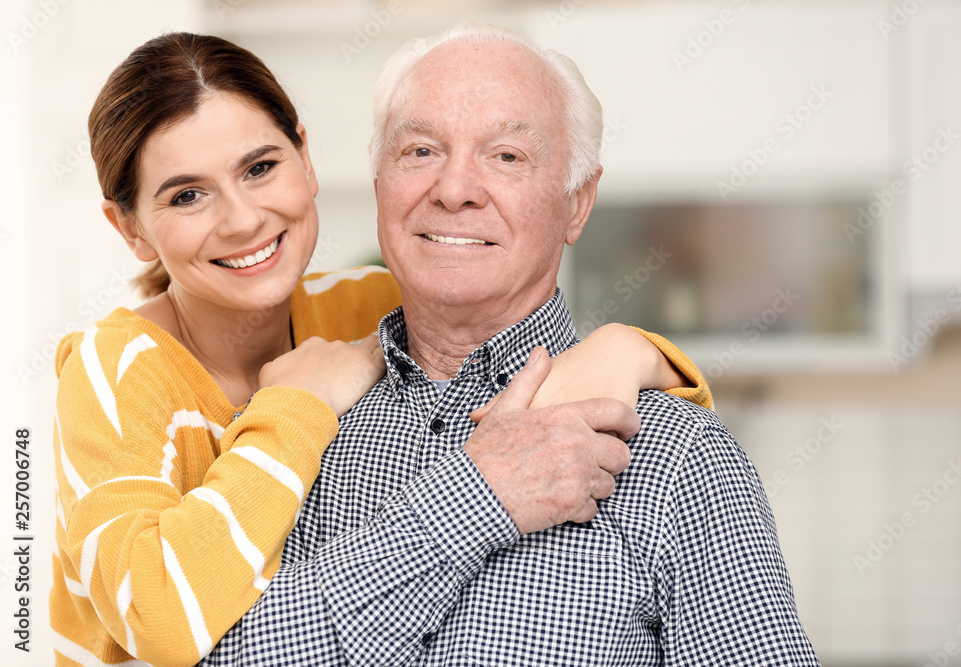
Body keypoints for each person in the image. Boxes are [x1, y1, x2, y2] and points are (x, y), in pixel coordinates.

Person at [50, 32, 713, 667]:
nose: (243, 219)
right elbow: (163, 618)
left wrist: (626, 349)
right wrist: (292, 407)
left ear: (305, 159)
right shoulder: (112, 372)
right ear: (130, 229)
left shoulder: (360, 304)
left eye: (260, 168)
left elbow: (481, 310)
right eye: (187, 195)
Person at [200, 22, 822, 666]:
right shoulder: (286, 433)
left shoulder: (680, 460)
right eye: (419, 151)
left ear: (577, 204)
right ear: (380, 183)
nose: (454, 188)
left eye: (506, 156)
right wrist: (475, 498)